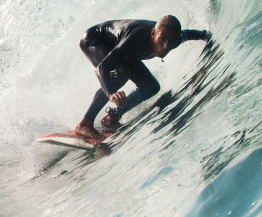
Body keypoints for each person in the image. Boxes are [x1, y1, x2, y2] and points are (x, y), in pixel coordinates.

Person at [74, 15, 212, 141]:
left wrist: (206, 36)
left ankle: (113, 117)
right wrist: (111, 93)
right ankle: (85, 123)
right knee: (120, 76)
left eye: (171, 42)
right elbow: (102, 68)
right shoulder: (134, 39)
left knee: (151, 86)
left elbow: (189, 34)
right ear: (153, 33)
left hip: (122, 50)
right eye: (162, 40)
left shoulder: (175, 39)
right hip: (94, 40)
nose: (165, 46)